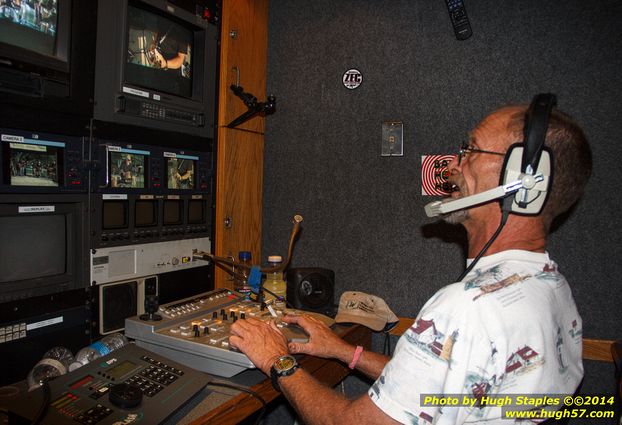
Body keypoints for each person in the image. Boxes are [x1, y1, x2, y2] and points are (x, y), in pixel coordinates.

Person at [229, 100, 592, 424]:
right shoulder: (552, 287)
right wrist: (344, 351)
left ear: (522, 182)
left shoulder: (466, 308)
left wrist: (278, 361)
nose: (454, 164)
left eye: (471, 150)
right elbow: (440, 386)